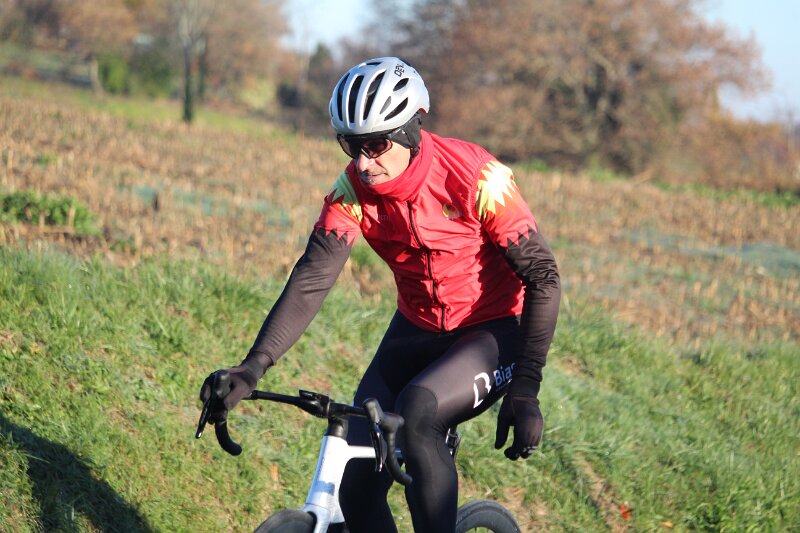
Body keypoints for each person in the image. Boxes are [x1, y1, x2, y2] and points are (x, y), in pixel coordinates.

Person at [200, 57, 560, 533]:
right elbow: (312, 277)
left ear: (410, 131)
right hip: (416, 328)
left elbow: (544, 277)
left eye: (375, 145)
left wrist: (526, 388)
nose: (363, 162)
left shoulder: (477, 178)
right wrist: (253, 366)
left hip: (491, 331)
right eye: (351, 145)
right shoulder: (351, 192)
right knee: (355, 485)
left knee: (420, 412)